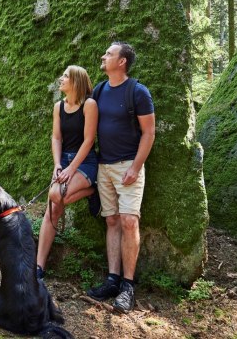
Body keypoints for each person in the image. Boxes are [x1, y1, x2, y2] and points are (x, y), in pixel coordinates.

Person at [86, 41, 155, 313]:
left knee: (128, 221)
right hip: (104, 167)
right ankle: (112, 280)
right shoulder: (100, 91)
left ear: (122, 61)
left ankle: (128, 287)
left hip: (129, 166)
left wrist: (136, 167)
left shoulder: (138, 92)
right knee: (112, 220)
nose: (103, 56)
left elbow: (149, 132)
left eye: (109, 54)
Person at [36, 65, 99, 280]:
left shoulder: (89, 105)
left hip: (85, 161)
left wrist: (72, 169)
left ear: (76, 82)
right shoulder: (58, 107)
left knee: (56, 195)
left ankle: (93, 190)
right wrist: (57, 165)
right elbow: (56, 138)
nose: (61, 79)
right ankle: (39, 267)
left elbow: (89, 140)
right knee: (53, 208)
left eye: (65, 76)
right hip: (64, 160)